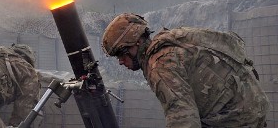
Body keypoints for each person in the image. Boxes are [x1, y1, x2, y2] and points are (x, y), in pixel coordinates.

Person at [101, 13, 270, 128]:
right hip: (250, 109)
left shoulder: (160, 64)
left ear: (137, 42)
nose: (121, 62)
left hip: (235, 119)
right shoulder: (172, 41)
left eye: (122, 54)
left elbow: (183, 118)